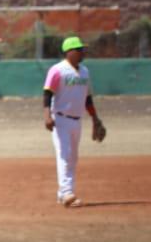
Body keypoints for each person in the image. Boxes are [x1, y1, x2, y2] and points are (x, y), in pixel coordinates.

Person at [42, 36, 105, 208]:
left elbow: (88, 98)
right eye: (79, 49)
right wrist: (47, 115)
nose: (82, 52)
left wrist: (95, 119)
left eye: (82, 49)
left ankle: (63, 193)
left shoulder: (84, 71)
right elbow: (47, 93)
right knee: (64, 155)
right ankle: (68, 193)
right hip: (60, 119)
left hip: (77, 120)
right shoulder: (57, 70)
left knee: (73, 158)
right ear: (69, 52)